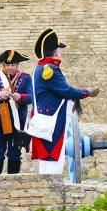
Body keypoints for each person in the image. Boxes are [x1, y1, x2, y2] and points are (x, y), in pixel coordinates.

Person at [29, 29, 99, 174]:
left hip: (45, 119)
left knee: (47, 162)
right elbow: (66, 91)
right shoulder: (50, 70)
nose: (61, 53)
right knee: (53, 160)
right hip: (52, 122)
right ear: (55, 53)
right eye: (59, 50)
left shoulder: (41, 67)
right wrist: (87, 92)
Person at [0, 50, 32, 175]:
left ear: (18, 65)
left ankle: (13, 185)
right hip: (0, 121)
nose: (10, 67)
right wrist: (0, 94)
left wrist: (19, 97)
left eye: (13, 65)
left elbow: (32, 97)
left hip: (17, 122)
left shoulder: (25, 78)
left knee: (14, 154)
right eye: (7, 65)